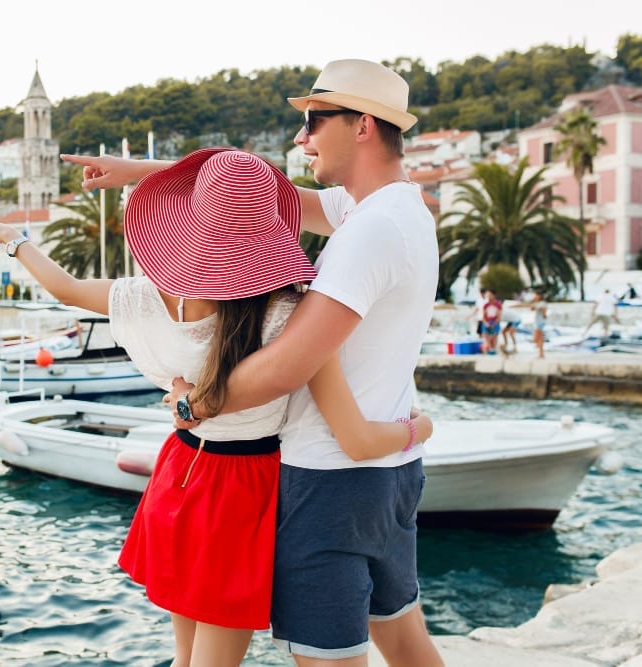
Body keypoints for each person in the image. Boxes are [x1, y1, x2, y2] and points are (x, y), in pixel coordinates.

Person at [0, 147, 433, 667]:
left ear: (185, 234)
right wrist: (418, 429)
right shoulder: (289, 317)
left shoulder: (148, 299)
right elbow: (351, 431)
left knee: (184, 657)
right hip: (247, 488)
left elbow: (64, 287)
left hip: (182, 472)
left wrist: (13, 239)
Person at [63, 58, 444, 667]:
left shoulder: (368, 232)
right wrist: (146, 172)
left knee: (330, 659)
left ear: (363, 125)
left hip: (329, 480)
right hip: (389, 471)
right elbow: (253, 197)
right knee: (403, 640)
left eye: (314, 121)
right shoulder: (394, 210)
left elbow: (286, 365)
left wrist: (192, 404)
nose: (301, 137)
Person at [480, 289, 503, 354]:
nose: (488, 296)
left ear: (494, 295)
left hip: (495, 321)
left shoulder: (498, 305)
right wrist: (486, 323)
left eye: (490, 295)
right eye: (488, 295)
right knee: (485, 334)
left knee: (495, 335)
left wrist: (494, 323)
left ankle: (494, 349)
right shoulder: (486, 305)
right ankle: (490, 348)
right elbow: (483, 316)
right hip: (487, 321)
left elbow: (499, 316)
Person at [531, 290, 548, 359]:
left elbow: (544, 312)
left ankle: (541, 352)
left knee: (536, 339)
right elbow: (531, 309)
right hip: (537, 322)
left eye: (536, 295)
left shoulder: (542, 303)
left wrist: (544, 314)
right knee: (540, 339)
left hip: (540, 322)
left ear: (540, 296)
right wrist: (534, 301)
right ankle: (541, 354)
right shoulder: (537, 303)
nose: (535, 296)